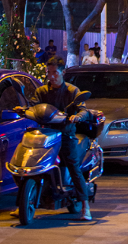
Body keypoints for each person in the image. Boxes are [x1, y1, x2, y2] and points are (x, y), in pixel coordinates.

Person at [11, 56, 92, 221]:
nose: (51, 76)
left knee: (73, 166)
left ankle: (85, 206)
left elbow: (83, 110)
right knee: (22, 163)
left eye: (55, 72)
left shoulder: (72, 91)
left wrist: (77, 117)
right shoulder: (41, 91)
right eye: (49, 72)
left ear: (62, 72)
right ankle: (22, 204)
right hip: (44, 134)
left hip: (65, 134)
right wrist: (23, 109)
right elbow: (33, 106)